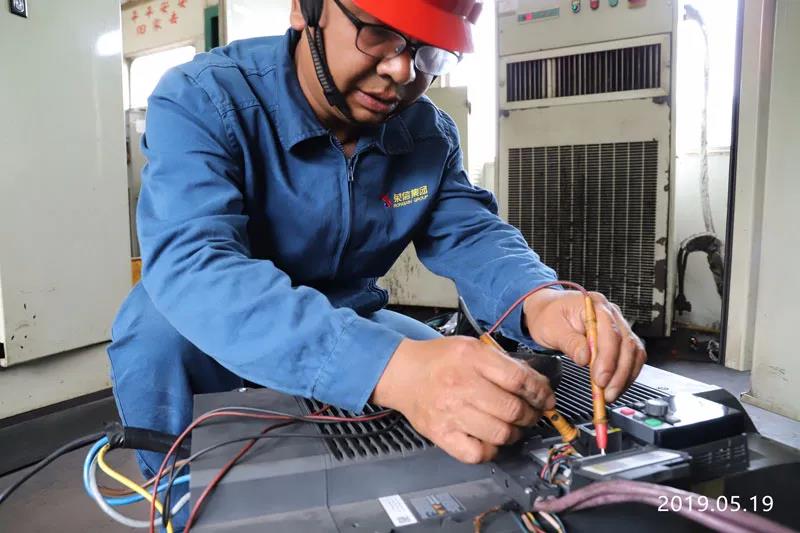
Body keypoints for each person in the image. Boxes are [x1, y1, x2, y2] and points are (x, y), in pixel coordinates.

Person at [108, 0, 646, 527]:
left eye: (429, 51)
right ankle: (181, 506)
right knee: (156, 338)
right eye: (379, 33)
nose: (402, 70)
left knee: (482, 391)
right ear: (304, 10)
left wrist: (539, 299)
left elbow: (469, 231)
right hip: (204, 320)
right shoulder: (203, 97)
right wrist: (395, 370)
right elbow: (196, 263)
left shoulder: (426, 132)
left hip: (351, 311)